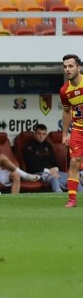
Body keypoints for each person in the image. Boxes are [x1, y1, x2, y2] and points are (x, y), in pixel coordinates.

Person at [60, 54, 83, 207]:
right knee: (74, 162)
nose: (67, 69)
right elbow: (67, 112)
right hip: (78, 130)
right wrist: (65, 133)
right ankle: (72, 200)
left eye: (71, 66)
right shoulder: (64, 91)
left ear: (79, 67)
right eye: (65, 67)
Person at [22, 124, 67, 193]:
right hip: (37, 174)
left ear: (46, 135)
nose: (41, 136)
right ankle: (59, 198)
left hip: (51, 172)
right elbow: (31, 167)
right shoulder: (29, 147)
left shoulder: (48, 145)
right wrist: (49, 171)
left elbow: (54, 161)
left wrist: (55, 169)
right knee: (53, 179)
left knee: (72, 178)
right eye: (39, 133)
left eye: (44, 134)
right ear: (34, 134)